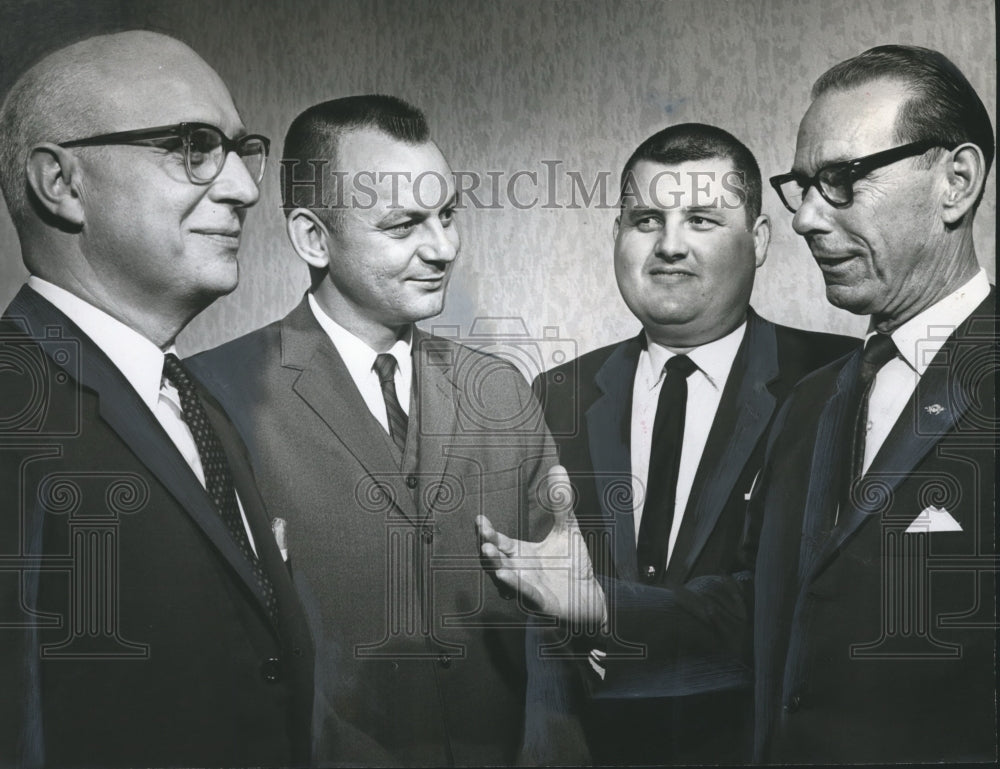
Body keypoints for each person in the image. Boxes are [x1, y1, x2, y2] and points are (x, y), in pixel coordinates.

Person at [187, 95, 573, 766]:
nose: (444, 247)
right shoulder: (212, 399)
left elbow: (558, 622)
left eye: (448, 214)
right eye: (404, 225)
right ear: (314, 237)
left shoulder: (503, 389)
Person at [0, 31, 315, 767]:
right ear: (63, 184)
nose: (242, 186)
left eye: (241, 150)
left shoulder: (196, 401)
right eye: (193, 146)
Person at [527, 123, 857, 765]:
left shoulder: (836, 383)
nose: (669, 246)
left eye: (702, 220)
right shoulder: (555, 394)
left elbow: (821, 613)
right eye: (646, 219)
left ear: (759, 241)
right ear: (616, 236)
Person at [754, 44, 995, 763]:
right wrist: (602, 605)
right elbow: (759, 613)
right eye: (801, 186)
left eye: (841, 181)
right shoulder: (803, 404)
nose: (804, 220)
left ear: (956, 181)